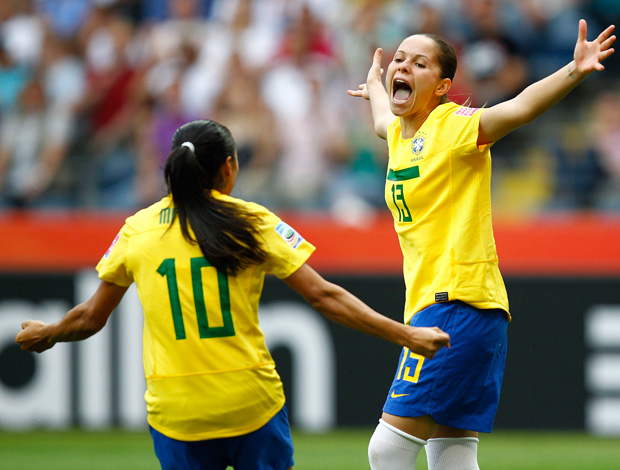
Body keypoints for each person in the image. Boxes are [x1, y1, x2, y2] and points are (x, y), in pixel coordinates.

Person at [15, 119, 450, 470]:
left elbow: (91, 318)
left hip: (177, 411)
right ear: (228, 167)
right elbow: (324, 297)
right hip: (249, 403)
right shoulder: (250, 221)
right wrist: (406, 335)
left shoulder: (137, 230)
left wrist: (49, 332)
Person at [347, 19, 615, 470]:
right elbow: (380, 118)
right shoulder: (396, 133)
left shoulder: (454, 128)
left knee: (388, 449)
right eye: (400, 60)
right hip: (465, 310)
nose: (404, 67)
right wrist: (376, 81)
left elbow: (519, 109)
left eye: (419, 63)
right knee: (451, 453)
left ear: (443, 86)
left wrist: (574, 70)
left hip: (456, 304)